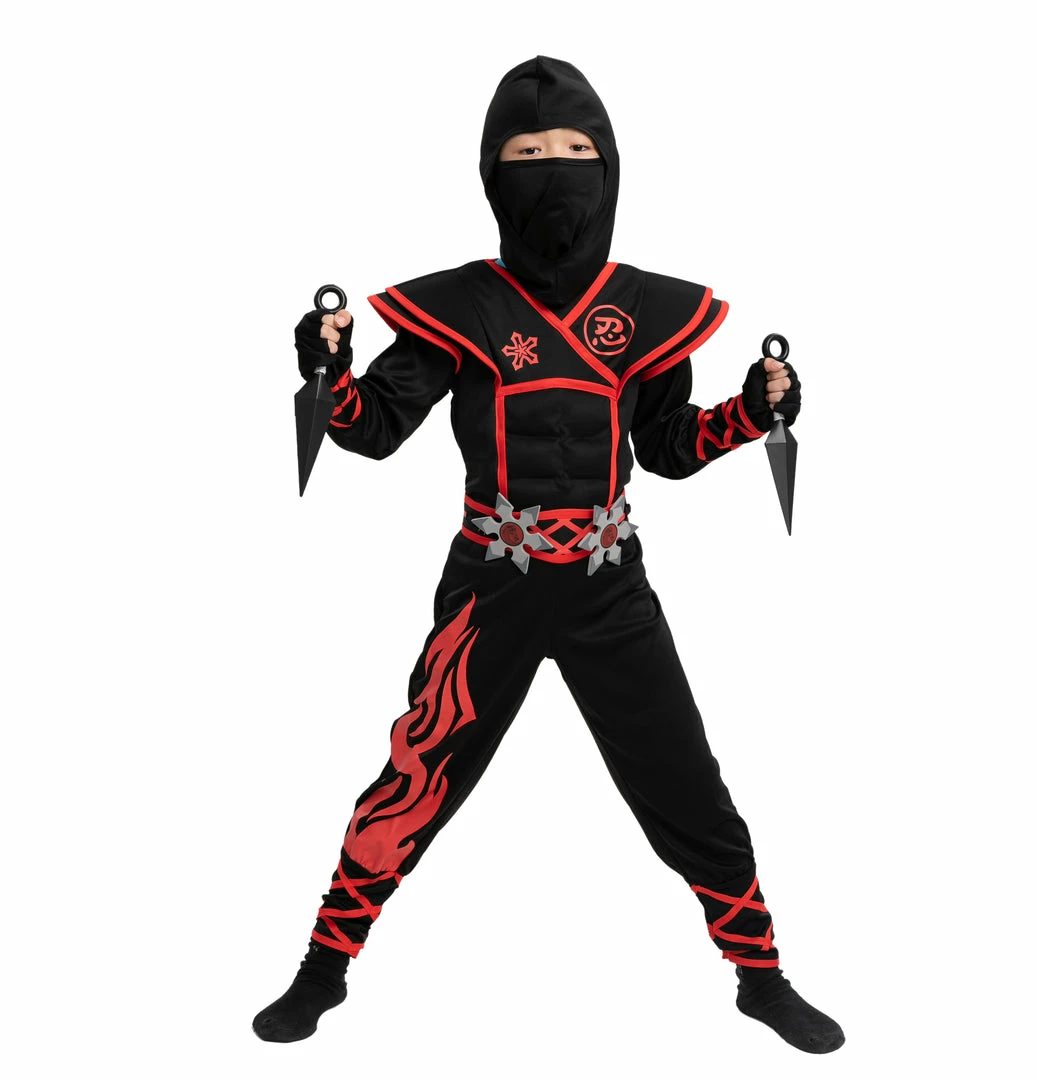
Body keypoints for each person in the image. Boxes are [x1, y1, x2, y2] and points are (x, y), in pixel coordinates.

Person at [254, 56, 843, 1055]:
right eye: (528, 153)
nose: (554, 169)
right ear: (493, 171)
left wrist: (751, 412)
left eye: (574, 149)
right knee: (418, 772)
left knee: (685, 781)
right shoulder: (456, 306)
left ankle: (761, 975)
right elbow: (372, 428)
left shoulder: (649, 310)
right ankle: (324, 967)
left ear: (609, 166)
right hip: (493, 585)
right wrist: (329, 371)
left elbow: (668, 448)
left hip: (610, 584)